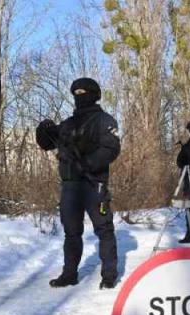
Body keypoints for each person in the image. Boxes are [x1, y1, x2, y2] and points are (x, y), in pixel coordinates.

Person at [35, 77, 121, 290]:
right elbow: (47, 142)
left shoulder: (105, 120)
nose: (80, 96)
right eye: (76, 93)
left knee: (104, 229)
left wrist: (87, 162)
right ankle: (69, 274)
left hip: (94, 184)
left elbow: (111, 149)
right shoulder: (68, 124)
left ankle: (109, 275)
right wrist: (43, 130)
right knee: (71, 232)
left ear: (94, 94)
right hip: (70, 186)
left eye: (84, 92)